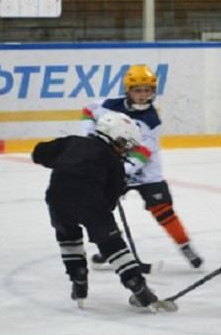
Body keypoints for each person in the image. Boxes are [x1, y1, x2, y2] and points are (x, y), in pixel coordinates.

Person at [34, 111, 174, 312]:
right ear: (113, 136)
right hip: (91, 204)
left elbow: (39, 153)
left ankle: (78, 278)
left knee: (68, 236)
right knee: (111, 244)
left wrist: (64, 159)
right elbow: (109, 201)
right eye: (123, 143)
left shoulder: (72, 142)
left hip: (57, 199)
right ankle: (137, 284)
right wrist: (104, 219)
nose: (125, 150)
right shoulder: (114, 163)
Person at [83, 64, 203, 269]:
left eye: (147, 91)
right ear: (128, 90)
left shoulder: (151, 120)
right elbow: (88, 110)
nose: (143, 95)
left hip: (146, 173)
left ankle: (184, 245)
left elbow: (142, 154)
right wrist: (90, 136)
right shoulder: (109, 105)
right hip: (116, 167)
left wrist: (120, 170)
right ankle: (110, 248)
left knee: (163, 210)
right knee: (102, 208)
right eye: (138, 90)